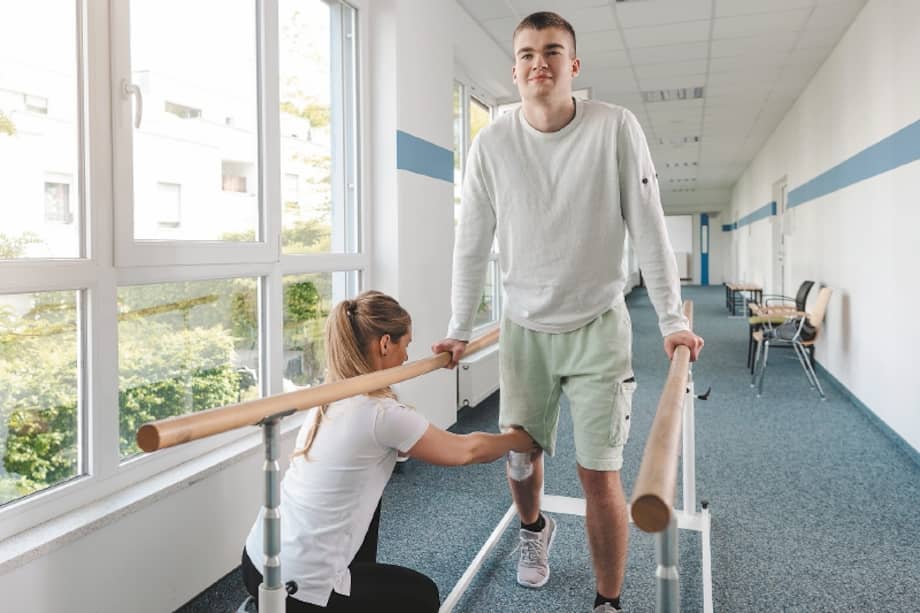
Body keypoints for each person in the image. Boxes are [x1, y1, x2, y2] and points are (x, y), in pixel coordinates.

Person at [432, 11, 704, 613]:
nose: (540, 63)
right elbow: (471, 242)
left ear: (572, 66)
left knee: (597, 474)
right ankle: (533, 532)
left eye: (553, 51)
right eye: (528, 53)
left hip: (598, 328)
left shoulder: (615, 128)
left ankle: (608, 602)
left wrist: (671, 321)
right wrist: (457, 329)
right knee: (521, 458)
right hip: (524, 330)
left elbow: (650, 229)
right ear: (515, 70)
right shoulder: (492, 143)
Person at [241, 290, 535, 612]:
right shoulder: (381, 414)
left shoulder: (329, 395)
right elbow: (468, 450)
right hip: (300, 586)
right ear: (384, 344)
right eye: (405, 346)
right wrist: (519, 439)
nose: (407, 358)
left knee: (370, 497)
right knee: (423, 597)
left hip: (257, 560)